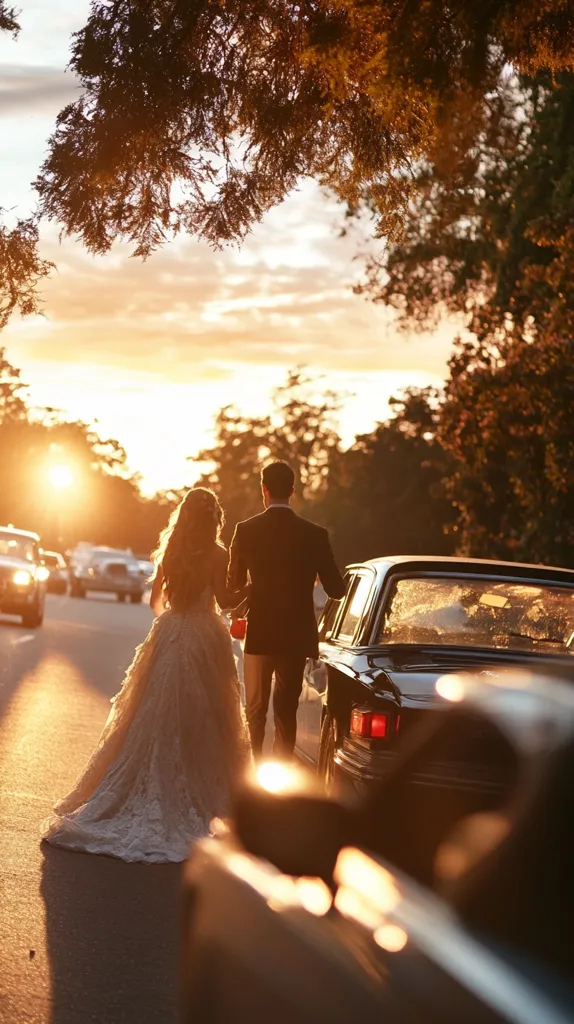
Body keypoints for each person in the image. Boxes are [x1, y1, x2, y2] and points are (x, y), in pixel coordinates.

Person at [41, 488, 251, 864]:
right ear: (215, 519)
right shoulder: (219, 554)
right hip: (206, 636)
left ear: (184, 516)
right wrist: (248, 589)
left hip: (171, 633)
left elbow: (157, 602)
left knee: (153, 716)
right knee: (206, 719)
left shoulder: (171, 551)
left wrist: (174, 624)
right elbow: (228, 599)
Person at [227, 461, 346, 761]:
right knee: (285, 709)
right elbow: (337, 590)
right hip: (296, 635)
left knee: (255, 710)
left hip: (260, 632)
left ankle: (255, 771)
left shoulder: (246, 530)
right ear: (293, 491)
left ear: (263, 490)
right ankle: (279, 779)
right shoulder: (316, 535)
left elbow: (235, 583)